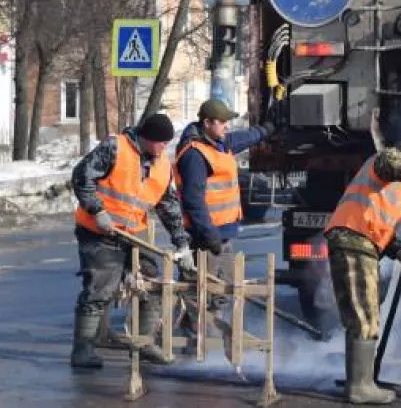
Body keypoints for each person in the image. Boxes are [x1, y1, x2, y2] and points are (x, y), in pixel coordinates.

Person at [69, 113, 194, 370]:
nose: (164, 148)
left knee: (152, 283)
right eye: (161, 143)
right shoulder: (116, 148)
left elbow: (168, 205)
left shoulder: (162, 165)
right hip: (98, 231)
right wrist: (97, 210)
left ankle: (145, 342)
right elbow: (82, 176)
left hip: (132, 234)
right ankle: (82, 350)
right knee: (99, 290)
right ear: (147, 138)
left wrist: (182, 243)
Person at [324, 139, 401, 405]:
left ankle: (361, 380)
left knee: (365, 312)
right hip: (354, 240)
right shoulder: (386, 162)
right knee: (364, 315)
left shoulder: (394, 188)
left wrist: (399, 253)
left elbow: (381, 227)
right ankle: (360, 386)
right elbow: (391, 162)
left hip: (362, 242)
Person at [174, 99, 277, 348]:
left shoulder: (220, 144)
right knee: (206, 291)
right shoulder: (195, 155)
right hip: (207, 236)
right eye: (222, 122)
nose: (227, 127)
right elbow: (193, 200)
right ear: (207, 123)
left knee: (220, 290)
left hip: (222, 233)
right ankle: (201, 346)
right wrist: (209, 234)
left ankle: (201, 342)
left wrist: (266, 130)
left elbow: (245, 137)